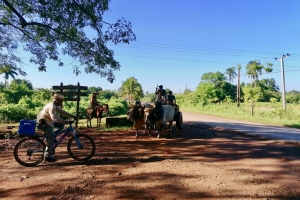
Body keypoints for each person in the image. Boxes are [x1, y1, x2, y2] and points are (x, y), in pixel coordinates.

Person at [37, 93, 77, 162]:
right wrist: (65, 121)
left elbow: (62, 111)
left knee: (61, 125)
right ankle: (47, 156)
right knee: (51, 137)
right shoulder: (52, 107)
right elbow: (54, 117)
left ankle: (53, 136)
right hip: (44, 122)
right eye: (61, 101)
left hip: (48, 121)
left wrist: (72, 116)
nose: (61, 102)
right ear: (57, 100)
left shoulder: (55, 105)